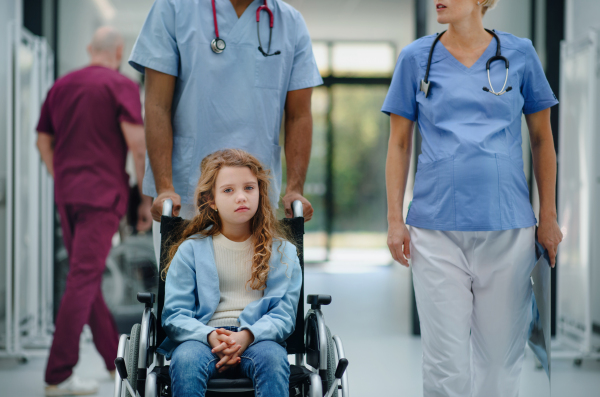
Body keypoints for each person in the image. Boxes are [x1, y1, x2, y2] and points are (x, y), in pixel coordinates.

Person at [382, 1, 563, 396]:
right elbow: (398, 145)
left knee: (500, 361)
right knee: (446, 364)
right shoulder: (416, 58)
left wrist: (547, 215)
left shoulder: (520, 54)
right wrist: (395, 220)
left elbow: (542, 139)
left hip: (509, 228)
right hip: (435, 230)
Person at [128, 0, 322, 262]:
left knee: (253, 294)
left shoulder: (291, 22)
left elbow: (299, 116)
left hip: (254, 198)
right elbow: (156, 105)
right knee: (182, 294)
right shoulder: (173, 9)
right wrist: (164, 187)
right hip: (185, 195)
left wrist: (295, 188)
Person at [36, 27, 152, 396]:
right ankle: (57, 374)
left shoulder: (62, 85)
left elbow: (43, 141)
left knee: (82, 276)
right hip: (102, 195)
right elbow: (137, 145)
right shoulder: (121, 86)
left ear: (90, 49)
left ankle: (110, 359)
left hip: (68, 194)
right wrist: (146, 199)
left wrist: (64, 177)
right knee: (84, 278)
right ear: (118, 51)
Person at [159, 149, 301, 397]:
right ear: (211, 200)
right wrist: (211, 336)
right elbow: (175, 314)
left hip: (259, 337)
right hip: (202, 338)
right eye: (228, 190)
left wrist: (247, 336)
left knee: (273, 359)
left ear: (260, 193)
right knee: (186, 361)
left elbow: (283, 314)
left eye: (249, 188)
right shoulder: (190, 250)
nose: (241, 197)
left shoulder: (282, 252)